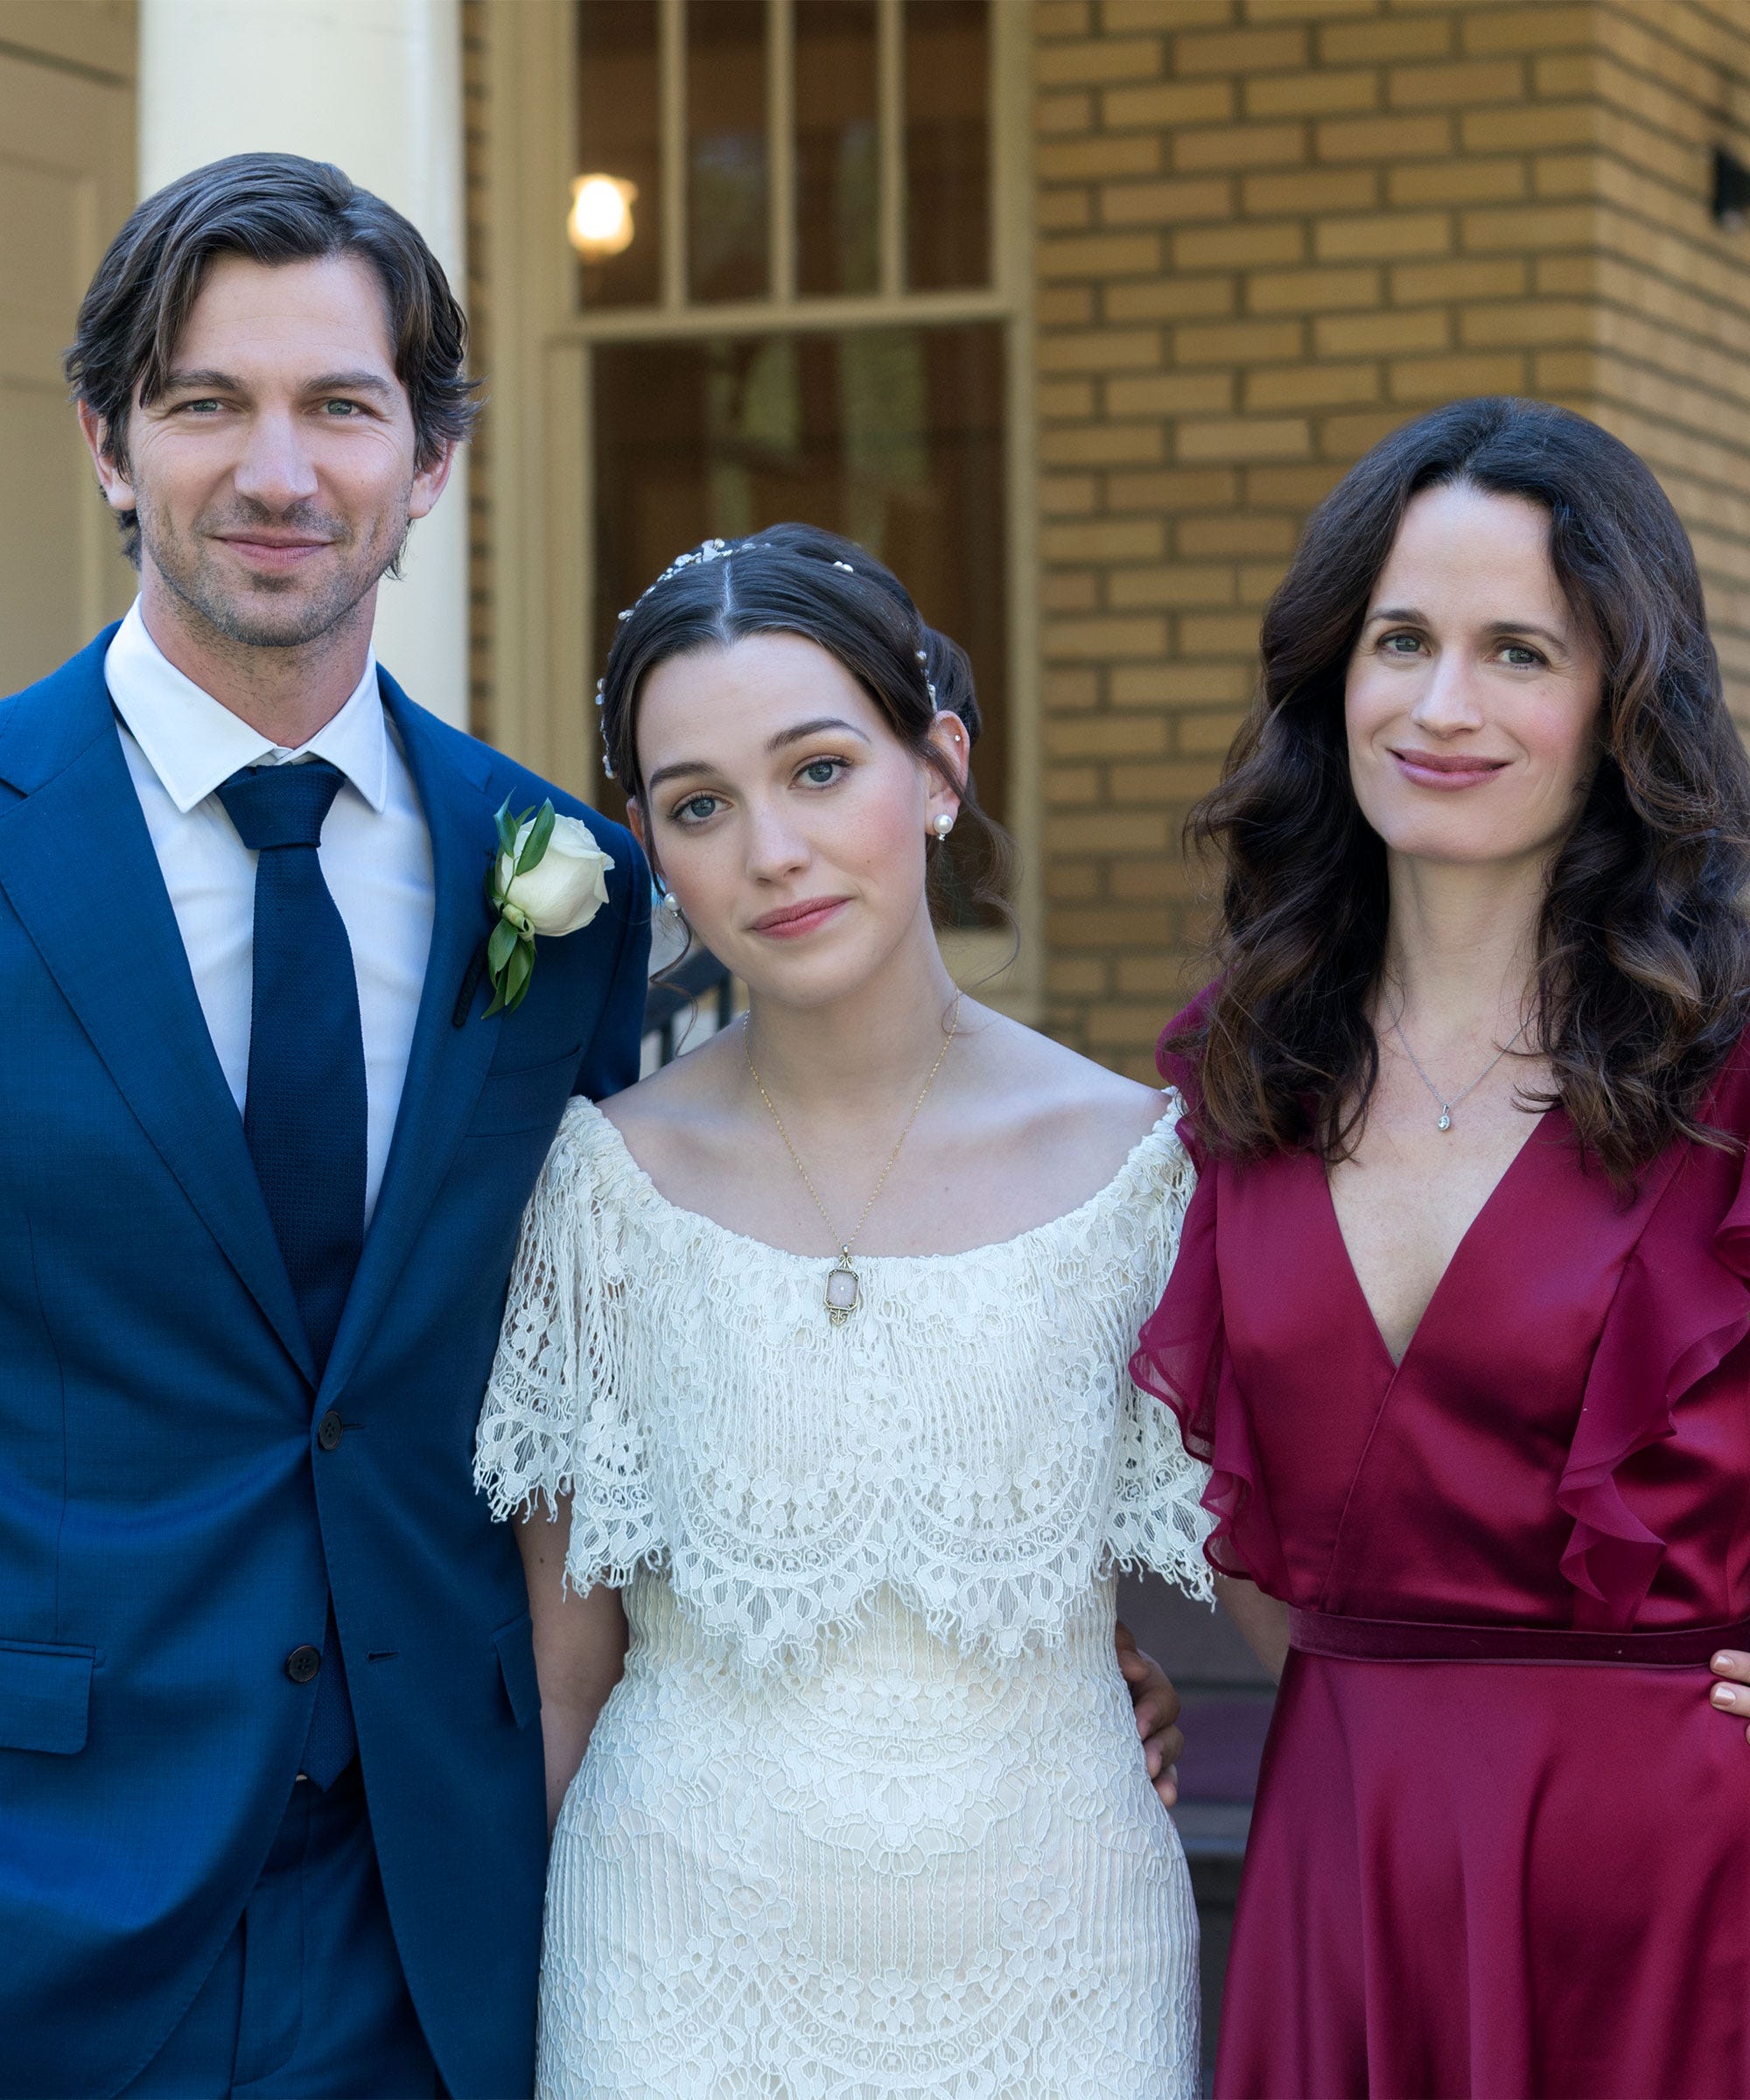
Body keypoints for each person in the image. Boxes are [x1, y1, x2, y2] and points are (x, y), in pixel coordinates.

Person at [0, 153, 652, 2098]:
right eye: (208, 402)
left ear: (430, 461)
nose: (277, 472)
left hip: (440, 1902)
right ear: (109, 443)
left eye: (341, 408)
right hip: (48, 1881)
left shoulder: (565, 881)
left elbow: (600, 1370)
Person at [474, 525, 1213, 2098]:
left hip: (1063, 1960)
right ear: (649, 846)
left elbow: (1318, 1586)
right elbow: (564, 1670)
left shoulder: (1143, 1173)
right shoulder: (599, 1184)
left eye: (820, 770)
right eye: (700, 805)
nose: (773, 851)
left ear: (938, 767)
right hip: (671, 1973)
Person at [1131, 396, 1750, 2097]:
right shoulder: (1238, 1075)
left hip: (1684, 1881)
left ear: (1619, 705)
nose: (1442, 705)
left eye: (1517, 653)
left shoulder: (1733, 1076)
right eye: (1400, 640)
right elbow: (1251, 1531)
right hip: (1352, 1847)